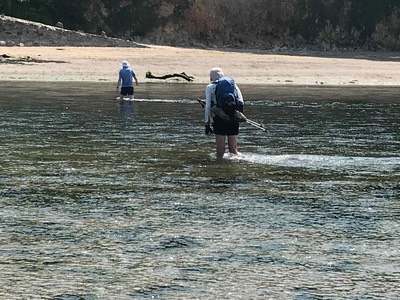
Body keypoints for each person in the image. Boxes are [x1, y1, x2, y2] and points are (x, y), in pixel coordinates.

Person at [204, 67, 244, 159]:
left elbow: (208, 106)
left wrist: (207, 124)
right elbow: (241, 101)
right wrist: (238, 114)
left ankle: (219, 167)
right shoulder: (233, 84)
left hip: (219, 118)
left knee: (220, 152)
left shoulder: (210, 87)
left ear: (211, 77)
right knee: (233, 150)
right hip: (233, 117)